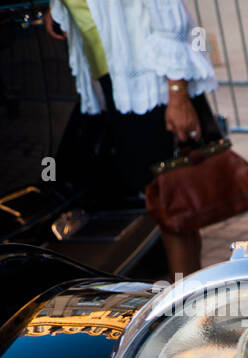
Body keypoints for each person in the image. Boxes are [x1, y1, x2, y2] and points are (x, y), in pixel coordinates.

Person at [45, 0, 220, 276]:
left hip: (149, 86)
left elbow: (171, 20)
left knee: (171, 208)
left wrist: (178, 94)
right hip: (114, 82)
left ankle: (187, 305)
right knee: (164, 205)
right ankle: (184, 295)